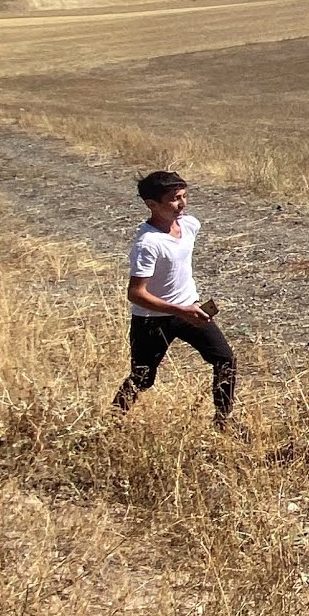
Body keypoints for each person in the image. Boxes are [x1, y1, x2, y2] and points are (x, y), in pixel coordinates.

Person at [112, 171, 238, 426]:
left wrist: (186, 308)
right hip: (151, 320)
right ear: (152, 205)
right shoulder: (147, 243)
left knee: (225, 360)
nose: (182, 203)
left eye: (184, 196)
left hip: (190, 311)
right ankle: (110, 422)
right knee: (142, 378)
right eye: (174, 199)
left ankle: (223, 422)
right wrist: (179, 310)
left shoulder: (189, 225)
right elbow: (135, 293)